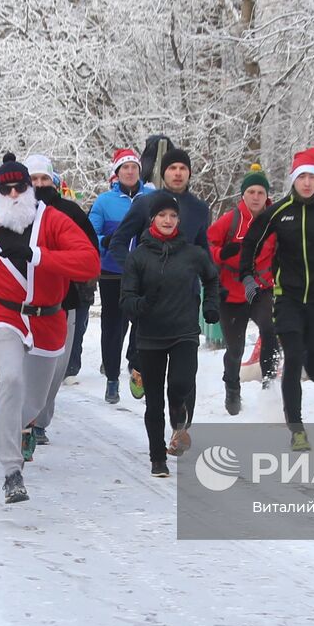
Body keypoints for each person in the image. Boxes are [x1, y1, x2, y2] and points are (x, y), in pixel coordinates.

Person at [0, 155, 99, 504]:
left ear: (30, 189)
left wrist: (36, 255)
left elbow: (89, 263)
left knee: (35, 404)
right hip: (2, 314)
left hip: (48, 320)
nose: (11, 194)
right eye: (3, 188)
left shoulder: (53, 221)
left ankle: (21, 425)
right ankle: (12, 472)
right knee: (9, 378)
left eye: (18, 187)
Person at [240, 148, 314, 451]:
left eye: (312, 177)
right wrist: (248, 278)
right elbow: (251, 240)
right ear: (294, 179)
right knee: (292, 358)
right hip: (287, 298)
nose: (307, 183)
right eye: (301, 176)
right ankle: (297, 429)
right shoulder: (279, 212)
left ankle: (310, 350)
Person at [122, 192, 220, 477]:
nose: (168, 220)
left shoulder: (192, 254)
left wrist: (211, 305)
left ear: (179, 220)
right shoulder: (138, 256)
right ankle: (157, 459)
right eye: (162, 215)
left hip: (184, 331)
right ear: (153, 219)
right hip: (150, 336)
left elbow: (211, 277)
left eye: (173, 216)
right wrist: (143, 304)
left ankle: (179, 413)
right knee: (153, 402)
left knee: (180, 384)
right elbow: (126, 300)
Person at [105, 146, 210, 399]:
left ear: (190, 173)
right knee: (148, 356)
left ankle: (181, 427)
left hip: (185, 297)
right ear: (163, 173)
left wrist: (214, 282)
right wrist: (134, 270)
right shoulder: (145, 203)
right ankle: (139, 366)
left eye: (183, 168)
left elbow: (203, 250)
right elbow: (118, 242)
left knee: (185, 368)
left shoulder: (199, 209)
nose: (177, 173)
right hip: (149, 295)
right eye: (172, 168)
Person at [25, 154, 101, 446]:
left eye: (45, 179)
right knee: (25, 365)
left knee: (57, 366)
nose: (40, 184)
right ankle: (24, 420)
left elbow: (90, 252)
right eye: (34, 180)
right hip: (25, 302)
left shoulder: (70, 212)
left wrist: (78, 279)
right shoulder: (17, 213)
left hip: (66, 301)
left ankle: (41, 420)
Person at [208, 164, 279, 414]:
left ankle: (270, 382)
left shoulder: (275, 219)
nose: (256, 197)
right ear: (243, 195)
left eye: (261, 192)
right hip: (232, 293)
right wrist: (221, 253)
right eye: (251, 192)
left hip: (260, 289)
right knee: (235, 349)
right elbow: (208, 244)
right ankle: (232, 386)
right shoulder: (231, 219)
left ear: (266, 196)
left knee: (270, 330)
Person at [89, 148, 153, 403]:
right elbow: (90, 234)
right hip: (113, 273)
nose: (129, 172)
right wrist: (107, 240)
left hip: (144, 273)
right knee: (113, 328)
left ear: (139, 171)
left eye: (133, 167)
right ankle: (112, 378)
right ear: (116, 173)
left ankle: (137, 370)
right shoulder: (104, 201)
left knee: (142, 325)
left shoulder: (152, 197)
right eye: (124, 168)